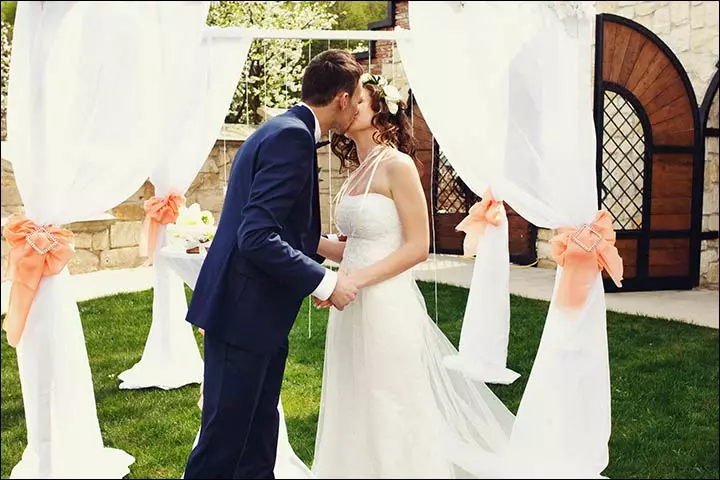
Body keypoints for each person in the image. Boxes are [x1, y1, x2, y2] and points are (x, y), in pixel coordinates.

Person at [311, 73, 516, 478]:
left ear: (379, 110)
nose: (349, 104)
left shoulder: (397, 166)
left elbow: (417, 247)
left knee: (390, 399)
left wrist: (353, 281)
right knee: (355, 396)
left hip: (385, 303)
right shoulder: (357, 171)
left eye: (359, 99)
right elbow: (351, 247)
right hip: (350, 301)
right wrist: (307, 242)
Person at [183, 49, 364, 479]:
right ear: (340, 98)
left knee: (256, 439)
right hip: (244, 313)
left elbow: (277, 227)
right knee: (223, 444)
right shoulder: (291, 138)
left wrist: (320, 246)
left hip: (256, 314)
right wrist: (324, 282)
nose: (358, 107)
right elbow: (257, 235)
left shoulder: (284, 129)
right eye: (356, 99)